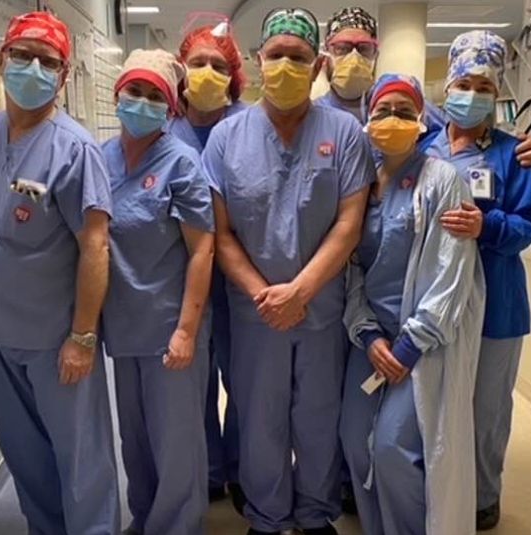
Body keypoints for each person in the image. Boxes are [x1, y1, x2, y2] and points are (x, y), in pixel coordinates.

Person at [202, 8, 374, 534]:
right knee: (259, 421)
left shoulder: (345, 133)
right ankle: (268, 516)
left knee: (318, 418)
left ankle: (315, 514)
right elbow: (220, 232)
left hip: (321, 309)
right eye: (275, 55)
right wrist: (263, 294)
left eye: (297, 57)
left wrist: (300, 290)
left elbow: (350, 222)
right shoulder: (227, 138)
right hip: (256, 315)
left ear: (318, 64)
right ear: (256, 63)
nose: (285, 65)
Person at [0, 11, 119, 535]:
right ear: (2, 60)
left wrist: (83, 336)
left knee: (81, 459)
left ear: (64, 77)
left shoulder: (75, 150)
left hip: (56, 340)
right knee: (24, 455)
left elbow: (95, 245)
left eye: (47, 62)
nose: (33, 69)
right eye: (22, 56)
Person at [340, 73, 486, 535]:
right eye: (383, 110)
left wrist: (407, 346)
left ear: (423, 121)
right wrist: (366, 332)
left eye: (405, 111)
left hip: (422, 346)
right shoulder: (361, 183)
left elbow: (452, 272)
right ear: (367, 118)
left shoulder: (441, 180)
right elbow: (351, 265)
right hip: (370, 341)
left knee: (392, 449)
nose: (392, 120)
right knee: (354, 441)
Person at [422, 31, 531, 531]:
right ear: (448, 84)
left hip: (496, 303)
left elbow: (529, 225)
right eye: (464, 83)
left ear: (498, 94)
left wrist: (486, 225)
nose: (473, 95)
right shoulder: (421, 145)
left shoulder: (513, 154)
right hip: (433, 297)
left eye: (485, 87)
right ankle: (433, 491)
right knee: (433, 402)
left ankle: (482, 496)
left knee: (486, 409)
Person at [100, 49, 215, 535]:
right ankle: (145, 518)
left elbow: (202, 250)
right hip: (123, 325)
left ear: (170, 109)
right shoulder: (99, 157)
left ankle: (178, 526)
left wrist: (187, 330)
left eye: (155, 97)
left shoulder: (181, 163)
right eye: (135, 92)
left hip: (170, 323)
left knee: (176, 441)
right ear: (117, 95)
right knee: (136, 438)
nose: (142, 103)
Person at [167, 19, 250, 507]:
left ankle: (240, 469)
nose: (206, 72)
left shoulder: (249, 127)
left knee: (242, 380)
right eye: (197, 63)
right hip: (182, 282)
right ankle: (209, 470)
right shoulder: (164, 128)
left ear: (235, 75)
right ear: (181, 70)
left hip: (240, 278)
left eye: (218, 65)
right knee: (193, 384)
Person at [317, 6, 531, 169]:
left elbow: (462, 137)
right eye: (342, 48)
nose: (354, 57)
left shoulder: (406, 105)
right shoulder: (313, 117)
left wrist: (516, 151)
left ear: (376, 53)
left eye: (364, 48)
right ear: (326, 53)